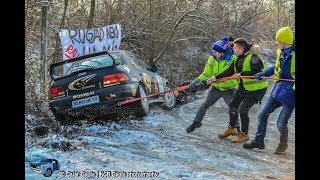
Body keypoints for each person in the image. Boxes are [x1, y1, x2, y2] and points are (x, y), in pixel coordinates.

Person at [243, 26, 295, 154]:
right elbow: (275, 68)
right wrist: (262, 73)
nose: (277, 43)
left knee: (281, 124)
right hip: (278, 90)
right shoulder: (280, 52)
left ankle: (283, 143)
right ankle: (259, 140)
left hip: (291, 94)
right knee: (262, 114)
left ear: (284, 42)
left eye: (278, 41)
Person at [207, 38, 268, 143]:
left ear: (241, 49)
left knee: (243, 109)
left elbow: (257, 73)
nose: (233, 49)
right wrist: (215, 78)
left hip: (257, 89)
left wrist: (241, 74)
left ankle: (244, 134)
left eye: (235, 48)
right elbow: (229, 71)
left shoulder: (253, 57)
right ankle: (232, 128)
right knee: (233, 105)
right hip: (244, 87)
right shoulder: (236, 58)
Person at [186, 38, 240, 133]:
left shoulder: (233, 59)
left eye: (215, 52)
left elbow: (238, 73)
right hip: (216, 87)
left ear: (222, 52)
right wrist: (194, 82)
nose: (213, 53)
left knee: (233, 108)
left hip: (229, 89)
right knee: (204, 105)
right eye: (213, 51)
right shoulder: (212, 59)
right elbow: (206, 74)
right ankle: (196, 123)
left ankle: (237, 127)